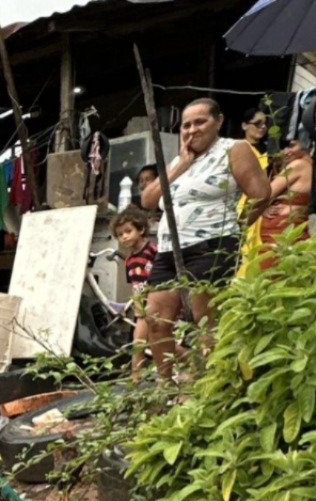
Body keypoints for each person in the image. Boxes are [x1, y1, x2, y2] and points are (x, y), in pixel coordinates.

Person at [139, 97, 270, 380]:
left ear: (218, 121)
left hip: (211, 246)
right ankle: (166, 387)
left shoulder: (234, 149)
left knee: (204, 323)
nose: (192, 130)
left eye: (200, 122)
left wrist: (234, 230)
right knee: (155, 319)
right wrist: (181, 164)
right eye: (186, 125)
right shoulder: (179, 160)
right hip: (168, 251)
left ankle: (212, 388)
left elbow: (260, 193)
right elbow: (148, 200)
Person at [252, 138, 314, 271]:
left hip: (281, 234)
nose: (286, 151)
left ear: (306, 143)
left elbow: (264, 194)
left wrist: (262, 208)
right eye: (283, 148)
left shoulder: (298, 165)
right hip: (289, 231)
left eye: (291, 146)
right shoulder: (311, 166)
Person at [114, 209, 156, 377]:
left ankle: (136, 378)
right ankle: (136, 377)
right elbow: (136, 286)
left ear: (141, 230)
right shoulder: (130, 261)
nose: (124, 237)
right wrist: (137, 307)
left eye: (128, 231)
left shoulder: (153, 251)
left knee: (148, 342)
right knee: (142, 342)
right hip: (142, 307)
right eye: (119, 234)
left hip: (156, 302)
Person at [237, 107, 271, 262]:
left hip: (262, 207)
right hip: (242, 207)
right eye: (257, 123)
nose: (263, 127)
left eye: (265, 123)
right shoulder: (238, 150)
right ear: (245, 125)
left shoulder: (269, 152)